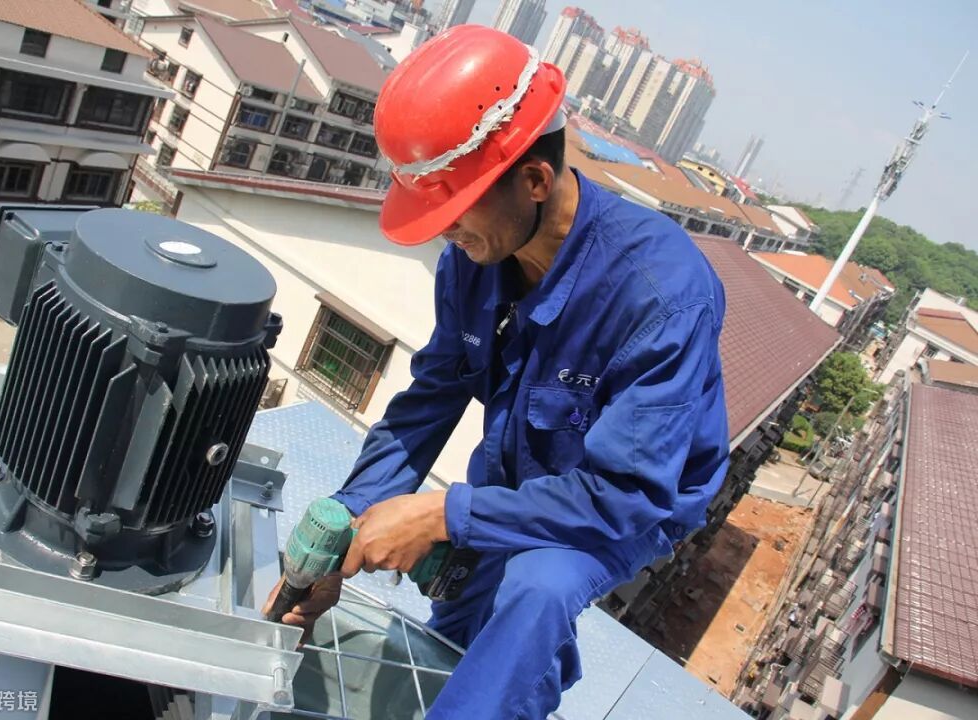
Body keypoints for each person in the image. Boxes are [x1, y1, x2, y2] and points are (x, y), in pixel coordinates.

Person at [264, 24, 731, 720]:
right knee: (459, 611)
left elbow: (624, 494)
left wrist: (444, 513)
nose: (442, 232)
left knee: (536, 589)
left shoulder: (660, 294)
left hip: (630, 495)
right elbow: (431, 400)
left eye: (453, 211)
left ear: (535, 179)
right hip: (520, 470)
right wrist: (347, 529)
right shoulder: (475, 260)